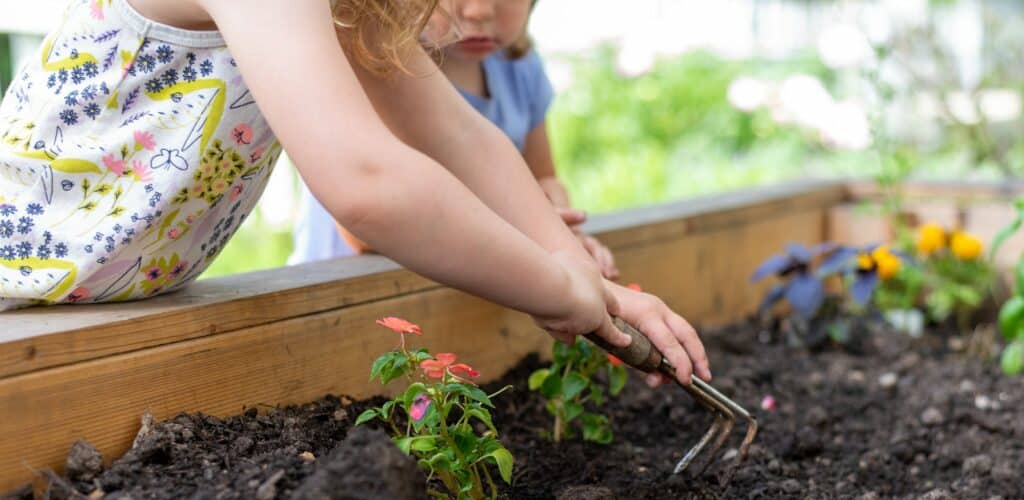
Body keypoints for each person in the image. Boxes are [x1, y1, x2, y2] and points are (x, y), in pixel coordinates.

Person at [0, 0, 709, 386]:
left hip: (80, 304)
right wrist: (553, 288)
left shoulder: (349, 6)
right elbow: (368, 183)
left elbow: (461, 138)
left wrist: (590, 280)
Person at [289, 0, 618, 279]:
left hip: (480, 283)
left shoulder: (519, 69)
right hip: (352, 291)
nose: (478, 11)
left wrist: (561, 235)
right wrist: (520, 228)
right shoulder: (376, 67)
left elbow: (543, 176)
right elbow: (363, 234)